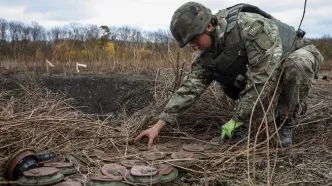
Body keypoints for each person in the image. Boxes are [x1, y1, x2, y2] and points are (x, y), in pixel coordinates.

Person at [134, 2, 324, 149]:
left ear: (208, 26)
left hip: (294, 54)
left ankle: (285, 121)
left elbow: (262, 78)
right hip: (266, 69)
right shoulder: (206, 55)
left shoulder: (250, 27)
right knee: (232, 78)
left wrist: (237, 119)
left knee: (297, 65)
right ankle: (261, 116)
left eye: (193, 39)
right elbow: (190, 88)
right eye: (188, 42)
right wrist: (158, 126)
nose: (193, 46)